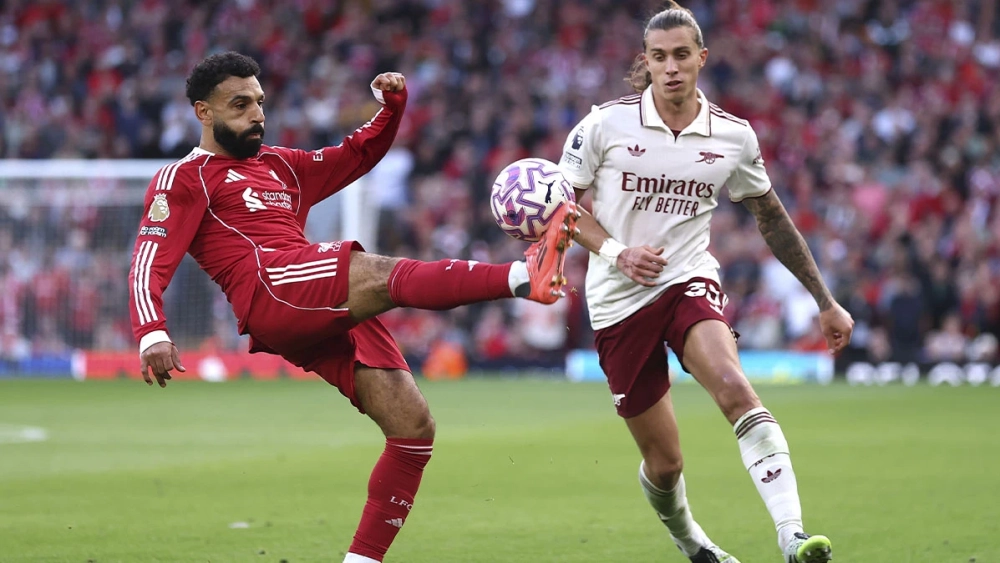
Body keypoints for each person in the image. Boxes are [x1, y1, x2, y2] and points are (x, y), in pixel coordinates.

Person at [127, 51, 579, 563]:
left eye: (259, 102)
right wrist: (152, 332)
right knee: (377, 272)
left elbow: (355, 154)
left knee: (412, 427)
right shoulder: (183, 178)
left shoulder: (280, 166)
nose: (257, 114)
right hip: (267, 286)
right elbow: (148, 259)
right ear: (202, 113)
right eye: (239, 104)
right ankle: (523, 276)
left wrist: (392, 109)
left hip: (311, 300)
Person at [558, 4, 853, 563]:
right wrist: (617, 253)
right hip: (617, 301)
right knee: (665, 465)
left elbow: (772, 217)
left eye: (681, 56)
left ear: (701, 59)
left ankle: (792, 535)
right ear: (645, 62)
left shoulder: (734, 137)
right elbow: (562, 206)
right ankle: (693, 542)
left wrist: (825, 300)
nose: (671, 68)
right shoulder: (603, 125)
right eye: (660, 57)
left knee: (735, 387)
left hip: (688, 280)